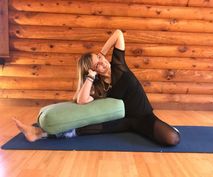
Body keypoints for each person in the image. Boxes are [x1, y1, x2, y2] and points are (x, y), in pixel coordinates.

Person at [13, 29, 180, 146]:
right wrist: (91, 76)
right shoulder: (98, 86)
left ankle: (165, 127)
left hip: (144, 116)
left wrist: (103, 52)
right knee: (87, 127)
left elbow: (118, 34)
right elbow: (82, 100)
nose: (102, 62)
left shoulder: (119, 66)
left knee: (172, 138)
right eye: (97, 65)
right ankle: (38, 133)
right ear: (94, 71)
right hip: (122, 121)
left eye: (100, 59)